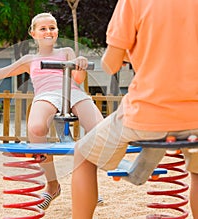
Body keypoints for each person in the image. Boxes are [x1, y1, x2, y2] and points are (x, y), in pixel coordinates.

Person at [71, 0, 198, 218]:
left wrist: (134, 53)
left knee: (83, 155)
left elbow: (110, 65)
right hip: (195, 117)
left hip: (147, 113)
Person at [0, 13, 103, 209]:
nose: (48, 32)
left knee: (99, 129)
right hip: (47, 95)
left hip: (72, 92)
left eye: (52, 28)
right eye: (43, 28)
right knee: (36, 129)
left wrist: (80, 62)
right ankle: (53, 185)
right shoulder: (30, 59)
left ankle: (88, 185)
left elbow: (78, 79)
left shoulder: (66, 51)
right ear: (33, 33)